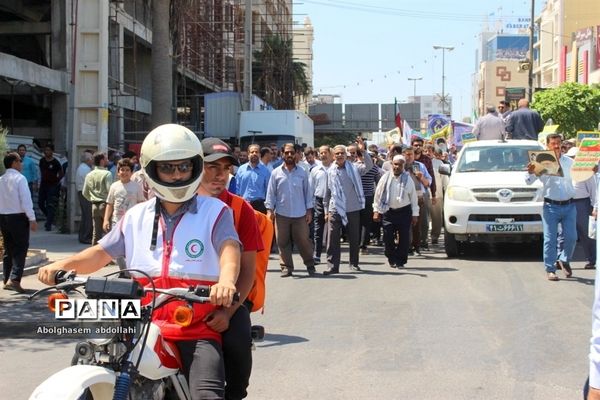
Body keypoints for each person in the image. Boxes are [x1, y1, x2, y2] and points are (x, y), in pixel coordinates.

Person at [38, 124, 241, 399]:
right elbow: (99, 253)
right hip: (138, 325)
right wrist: (61, 266)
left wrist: (226, 282)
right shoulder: (135, 216)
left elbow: (229, 250)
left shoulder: (216, 211)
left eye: (183, 167)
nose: (177, 174)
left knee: (208, 395)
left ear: (194, 167)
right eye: (167, 168)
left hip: (193, 327)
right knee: (91, 360)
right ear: (152, 169)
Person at [198, 137, 265, 400]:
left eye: (225, 169)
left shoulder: (241, 209)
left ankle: (235, 393)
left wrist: (228, 312)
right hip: (179, 295)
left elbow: (248, 271)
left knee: (237, 343)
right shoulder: (177, 203)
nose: (219, 175)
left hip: (231, 298)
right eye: (212, 166)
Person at [525, 133, 576, 281]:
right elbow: (529, 181)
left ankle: (564, 259)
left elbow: (582, 175)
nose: (556, 146)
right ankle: (550, 269)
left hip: (569, 205)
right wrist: (530, 171)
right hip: (551, 206)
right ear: (547, 145)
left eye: (558, 143)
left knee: (572, 237)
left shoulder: (569, 162)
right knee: (550, 239)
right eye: (553, 143)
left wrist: (592, 170)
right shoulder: (542, 161)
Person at [265, 143, 315, 277]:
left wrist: (309, 211)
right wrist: (269, 210)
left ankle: (310, 264)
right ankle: (286, 267)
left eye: (291, 152)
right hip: (282, 214)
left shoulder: (302, 173)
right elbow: (271, 193)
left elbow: (308, 193)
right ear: (282, 154)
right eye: (286, 152)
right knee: (282, 241)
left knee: (303, 240)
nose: (289, 155)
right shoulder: (276, 173)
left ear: (296, 154)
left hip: (300, 214)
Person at [323, 144, 365, 275]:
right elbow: (327, 192)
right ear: (333, 156)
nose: (340, 155)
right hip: (335, 208)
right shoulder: (330, 171)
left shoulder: (354, 168)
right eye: (337, 154)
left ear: (346, 155)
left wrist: (362, 150)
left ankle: (354, 263)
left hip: (352, 208)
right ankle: (332, 266)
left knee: (353, 237)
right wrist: (326, 211)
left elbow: (368, 165)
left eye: (342, 153)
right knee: (332, 238)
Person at [0, 152, 38, 293]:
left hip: (3, 217)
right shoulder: (20, 179)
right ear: (14, 163)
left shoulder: (1, 179)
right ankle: (14, 279)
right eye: (20, 161)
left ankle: (7, 279)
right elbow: (26, 201)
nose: (21, 163)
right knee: (20, 248)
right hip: (18, 217)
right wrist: (32, 218)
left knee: (8, 249)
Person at [373, 155, 419, 268]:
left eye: (399, 164)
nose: (397, 167)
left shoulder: (408, 179)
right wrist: (376, 210)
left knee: (404, 238)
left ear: (403, 166)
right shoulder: (385, 178)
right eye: (395, 164)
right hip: (388, 212)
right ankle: (391, 257)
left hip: (404, 212)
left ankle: (400, 261)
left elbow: (413, 198)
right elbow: (378, 196)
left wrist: (415, 215)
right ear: (392, 164)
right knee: (388, 237)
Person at [102, 157, 145, 238]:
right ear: (118, 172)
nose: (124, 172)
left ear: (132, 172)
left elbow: (141, 204)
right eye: (122, 170)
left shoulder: (136, 187)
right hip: (116, 221)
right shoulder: (114, 186)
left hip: (131, 222)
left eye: (127, 170)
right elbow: (109, 204)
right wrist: (106, 220)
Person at [82, 152, 113, 245]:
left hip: (94, 205)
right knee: (109, 231)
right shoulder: (107, 174)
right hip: (105, 205)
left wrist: (92, 198)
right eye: (106, 158)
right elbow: (110, 191)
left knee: (96, 232)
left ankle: (94, 256)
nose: (108, 160)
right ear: (102, 161)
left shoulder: (89, 174)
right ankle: (108, 257)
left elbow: (84, 192)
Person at [310, 145, 332, 264]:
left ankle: (331, 255)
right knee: (318, 229)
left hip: (333, 201)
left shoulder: (335, 168)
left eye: (325, 152)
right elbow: (311, 188)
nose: (323, 155)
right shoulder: (315, 170)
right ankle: (317, 254)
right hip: (318, 201)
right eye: (321, 153)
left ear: (330, 153)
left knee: (333, 230)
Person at [235, 143, 271, 214]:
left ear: (260, 155)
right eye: (252, 152)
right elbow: (237, 188)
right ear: (248, 154)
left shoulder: (266, 171)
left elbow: (268, 191)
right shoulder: (241, 169)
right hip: (244, 204)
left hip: (260, 206)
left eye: (256, 152)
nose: (254, 154)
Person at [38, 143, 64, 231]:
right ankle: (51, 218)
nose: (46, 152)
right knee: (40, 203)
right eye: (45, 150)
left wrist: (56, 180)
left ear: (52, 151)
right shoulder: (42, 161)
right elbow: (40, 172)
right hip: (43, 184)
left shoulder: (55, 162)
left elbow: (61, 173)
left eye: (48, 150)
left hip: (52, 186)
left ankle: (48, 224)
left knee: (50, 205)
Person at [75, 151, 94, 244]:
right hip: (85, 194)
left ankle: (83, 236)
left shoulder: (83, 168)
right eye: (91, 158)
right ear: (87, 160)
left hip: (82, 193)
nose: (93, 160)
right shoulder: (85, 169)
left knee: (85, 216)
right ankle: (86, 236)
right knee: (88, 216)